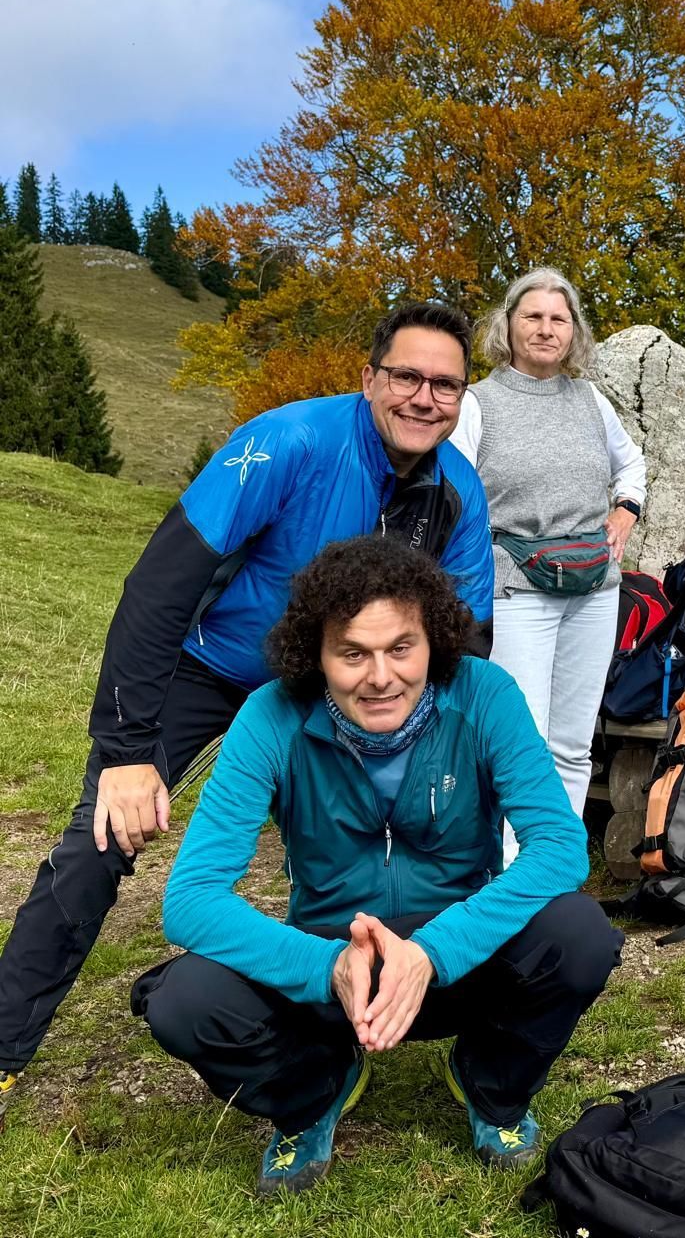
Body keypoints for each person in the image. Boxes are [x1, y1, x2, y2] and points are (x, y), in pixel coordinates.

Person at [0, 302, 494, 1114]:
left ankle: (394, 1011)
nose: (423, 397)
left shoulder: (459, 492)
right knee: (100, 837)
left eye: (445, 385)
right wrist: (126, 752)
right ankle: (5, 1043)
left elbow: (463, 643)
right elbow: (160, 586)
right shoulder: (290, 443)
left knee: (398, 836)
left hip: (337, 688)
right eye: (406, 375)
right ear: (370, 378)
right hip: (220, 668)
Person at [132, 535, 616, 1196]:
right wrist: (321, 965)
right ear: (316, 655)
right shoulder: (269, 717)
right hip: (335, 970)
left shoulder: (484, 694)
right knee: (183, 1000)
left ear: (435, 642)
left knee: (580, 934)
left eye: (400, 648)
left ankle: (491, 1085)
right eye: (352, 653)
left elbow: (559, 847)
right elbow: (190, 899)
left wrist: (432, 952)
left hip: (456, 958)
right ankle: (312, 1091)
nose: (381, 676)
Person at [450, 267, 646, 819]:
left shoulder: (591, 400)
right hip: (516, 588)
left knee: (573, 743)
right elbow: (456, 494)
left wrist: (626, 508)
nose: (545, 328)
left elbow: (631, 462)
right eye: (532, 316)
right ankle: (512, 876)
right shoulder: (477, 403)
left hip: (594, 585)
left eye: (558, 318)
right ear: (507, 325)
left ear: (574, 331)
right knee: (522, 741)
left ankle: (555, 871)